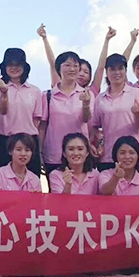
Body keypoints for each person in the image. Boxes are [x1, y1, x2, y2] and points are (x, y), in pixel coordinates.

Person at [37, 25, 137, 96]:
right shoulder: (58, 88)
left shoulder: (91, 92)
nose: (82, 74)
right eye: (79, 69)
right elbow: (53, 64)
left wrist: (107, 40)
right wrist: (44, 39)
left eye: (86, 72)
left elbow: (101, 67)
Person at [39, 51, 93, 180]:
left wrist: (86, 103)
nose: (72, 69)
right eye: (67, 65)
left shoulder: (86, 93)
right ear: (59, 68)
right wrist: (40, 152)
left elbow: (86, 119)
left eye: (75, 66)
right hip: (54, 154)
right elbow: (43, 127)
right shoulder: (48, 95)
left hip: (79, 154)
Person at [90, 53, 139, 171]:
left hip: (131, 156)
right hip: (107, 156)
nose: (117, 72)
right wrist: (93, 144)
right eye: (112, 69)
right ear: (107, 72)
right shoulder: (100, 98)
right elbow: (95, 126)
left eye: (120, 68)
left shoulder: (137, 93)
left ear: (126, 71)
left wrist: (137, 114)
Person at [0, 48, 43, 174]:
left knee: (31, 179)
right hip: (5, 140)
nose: (14, 68)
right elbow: (2, 110)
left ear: (24, 67)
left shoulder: (35, 91)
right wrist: (4, 91)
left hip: (29, 141)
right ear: (5, 67)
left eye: (18, 64)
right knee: (2, 179)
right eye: (10, 64)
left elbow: (36, 121)